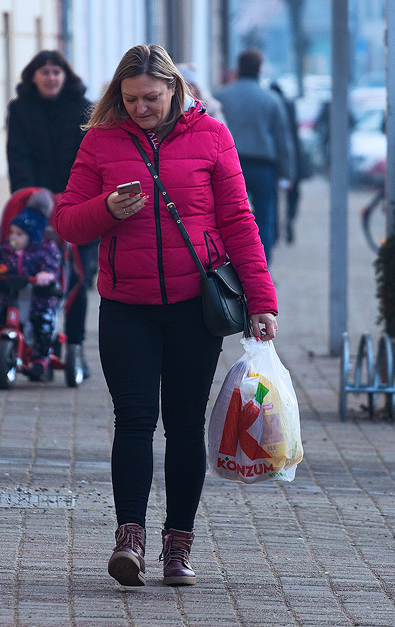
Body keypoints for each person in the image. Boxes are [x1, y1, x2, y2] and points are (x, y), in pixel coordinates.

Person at [53, 43, 280, 589]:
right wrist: (106, 210)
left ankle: (177, 546)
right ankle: (128, 538)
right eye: (129, 98)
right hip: (127, 307)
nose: (140, 108)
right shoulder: (102, 141)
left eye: (150, 97)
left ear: (175, 89)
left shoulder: (211, 136)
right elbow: (65, 222)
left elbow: (239, 222)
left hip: (192, 307)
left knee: (183, 425)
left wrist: (262, 300)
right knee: (133, 420)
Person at [5, 50, 98, 361]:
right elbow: (17, 155)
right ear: (34, 77)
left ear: (65, 76)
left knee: (77, 276)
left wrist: (77, 195)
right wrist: (30, 197)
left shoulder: (85, 109)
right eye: (44, 72)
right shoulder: (20, 110)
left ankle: (74, 343)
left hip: (78, 204)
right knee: (33, 273)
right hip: (36, 207)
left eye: (56, 71)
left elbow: (91, 158)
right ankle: (33, 340)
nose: (50, 77)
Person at [214, 49, 295, 265]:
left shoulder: (221, 96)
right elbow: (281, 138)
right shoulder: (271, 99)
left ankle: (228, 266)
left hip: (228, 164)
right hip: (263, 165)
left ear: (238, 68)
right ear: (259, 69)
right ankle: (261, 267)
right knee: (264, 219)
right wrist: (286, 173)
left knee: (226, 217)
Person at [0, 204, 63, 380]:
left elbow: (51, 268)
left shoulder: (44, 252)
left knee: (43, 323)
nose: (13, 237)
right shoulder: (6, 253)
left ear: (32, 237)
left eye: (19, 234)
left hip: (38, 300)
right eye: (12, 233)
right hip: (12, 301)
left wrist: (46, 275)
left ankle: (41, 358)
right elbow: (1, 269)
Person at [268, 80, 307, 244]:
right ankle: (290, 219)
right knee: (293, 194)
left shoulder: (270, 103)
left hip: (272, 158)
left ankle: (276, 231)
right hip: (292, 156)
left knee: (273, 198)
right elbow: (291, 135)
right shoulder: (289, 104)